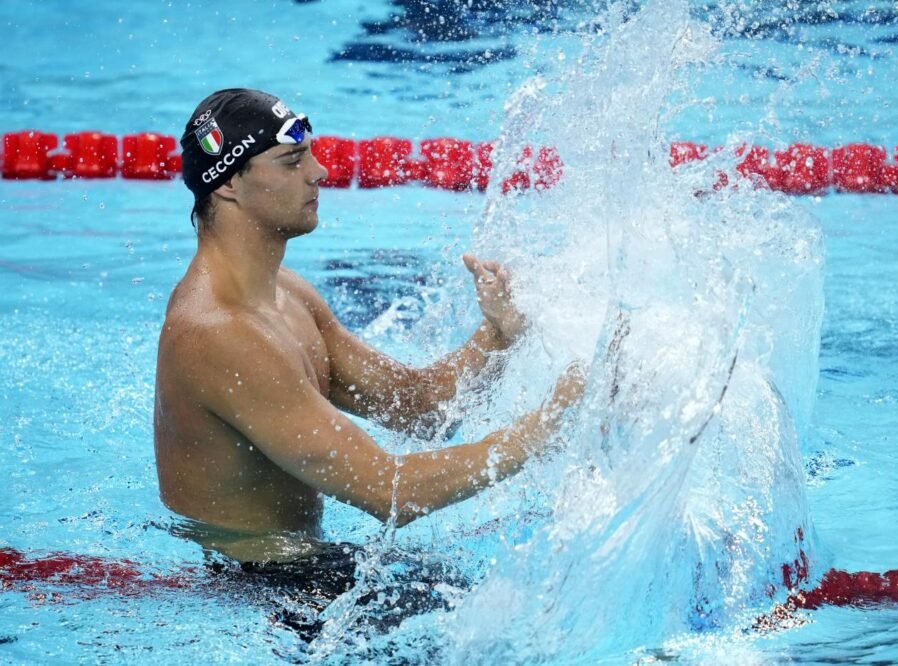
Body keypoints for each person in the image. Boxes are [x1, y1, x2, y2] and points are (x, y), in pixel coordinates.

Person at [154, 89, 583, 568]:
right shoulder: (219, 335)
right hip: (248, 589)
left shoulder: (288, 295)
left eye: (311, 154)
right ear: (230, 183)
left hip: (309, 564)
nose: (319, 172)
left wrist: (497, 333)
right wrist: (540, 431)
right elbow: (389, 492)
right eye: (292, 161)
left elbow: (419, 407)